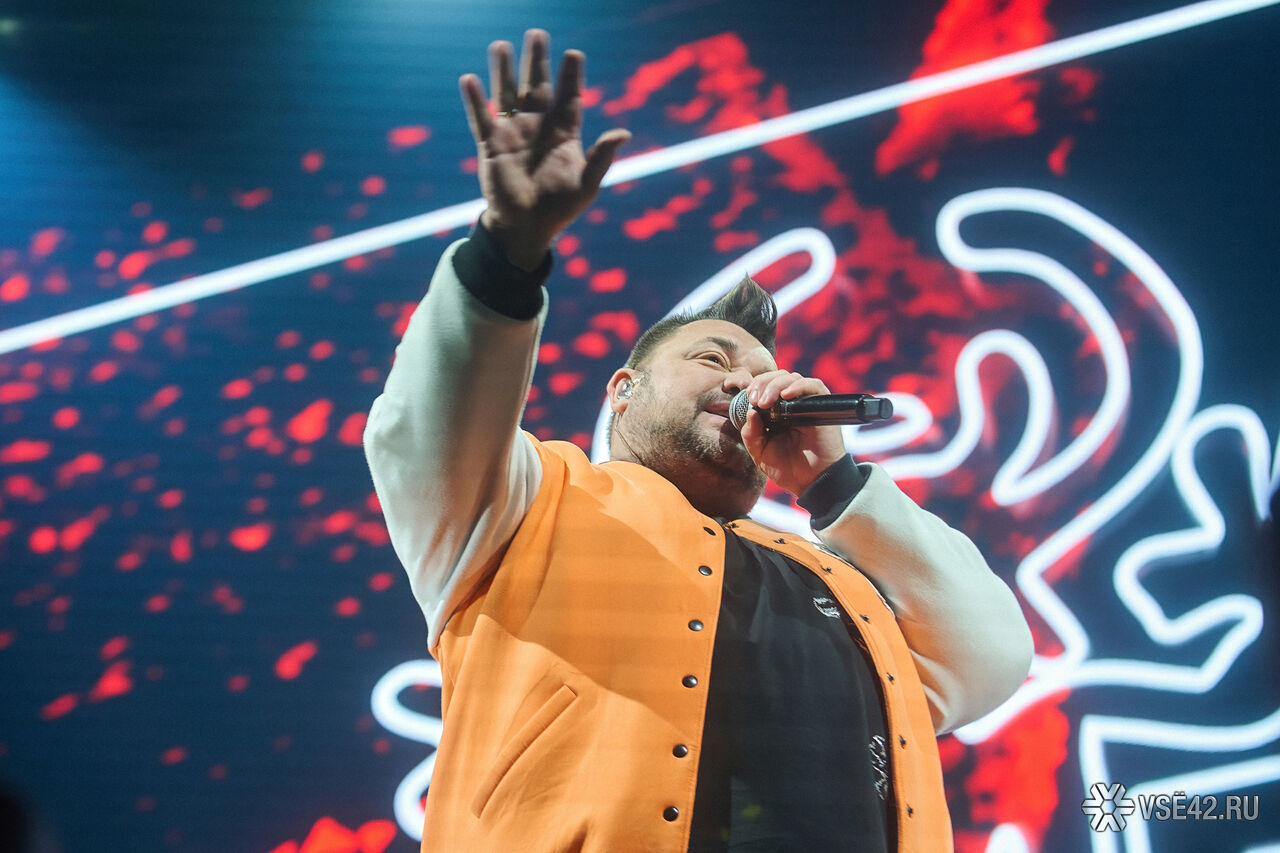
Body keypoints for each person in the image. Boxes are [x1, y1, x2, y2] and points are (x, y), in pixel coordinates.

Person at [364, 29, 1033, 853]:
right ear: (623, 391)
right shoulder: (531, 502)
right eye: (713, 358)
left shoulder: (836, 578)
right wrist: (507, 251)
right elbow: (425, 433)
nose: (746, 381)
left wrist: (835, 487)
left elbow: (993, 655)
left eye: (763, 370)